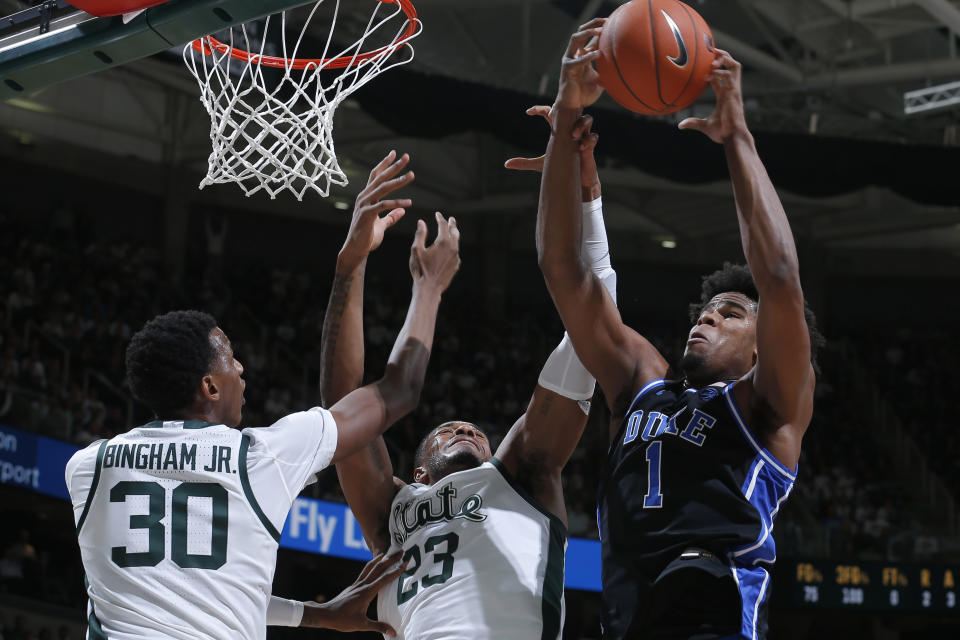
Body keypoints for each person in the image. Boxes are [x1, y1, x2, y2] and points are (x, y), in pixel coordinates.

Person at [63, 152, 462, 640]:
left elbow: (193, 587)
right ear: (208, 386)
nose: (242, 369)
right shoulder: (261, 456)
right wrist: (420, 286)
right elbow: (398, 391)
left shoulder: (87, 466)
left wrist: (314, 614)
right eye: (229, 358)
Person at [536, 20, 824, 640]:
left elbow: (778, 277)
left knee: (697, 576)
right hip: (629, 618)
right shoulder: (641, 379)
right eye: (705, 308)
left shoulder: (768, 407)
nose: (707, 317)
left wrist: (736, 135)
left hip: (712, 614)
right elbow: (563, 271)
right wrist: (565, 124)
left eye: (730, 313)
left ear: (761, 345)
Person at [320, 139, 614, 639]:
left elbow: (592, 333)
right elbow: (341, 404)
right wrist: (351, 263)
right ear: (417, 470)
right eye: (449, 430)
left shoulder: (523, 474)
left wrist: (587, 195)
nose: (463, 429)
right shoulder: (391, 511)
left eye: (475, 431)